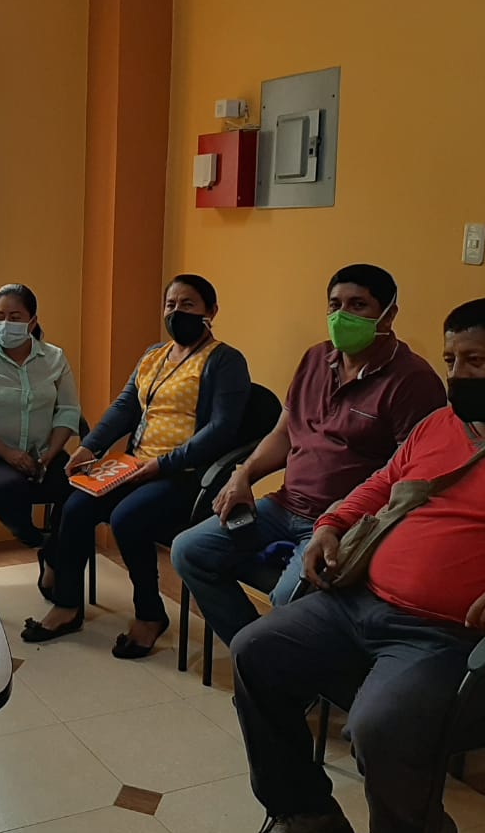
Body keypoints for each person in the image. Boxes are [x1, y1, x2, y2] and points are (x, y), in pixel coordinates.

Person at [234, 298, 485, 833]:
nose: (458, 375)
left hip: (447, 636)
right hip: (358, 602)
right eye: (450, 360)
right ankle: (306, 814)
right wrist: (331, 524)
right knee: (255, 652)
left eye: (476, 360)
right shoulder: (440, 424)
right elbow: (383, 482)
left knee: (379, 726)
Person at [170, 264, 445, 647]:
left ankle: (268, 658)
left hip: (343, 523)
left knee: (289, 597)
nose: (342, 316)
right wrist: (242, 475)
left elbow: (408, 476)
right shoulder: (316, 358)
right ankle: (254, 653)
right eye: (335, 305)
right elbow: (284, 433)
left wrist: (341, 521)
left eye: (358, 305)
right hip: (283, 506)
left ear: (389, 314)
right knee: (189, 550)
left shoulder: (413, 381)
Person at [21, 274, 251, 658]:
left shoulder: (225, 361)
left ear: (211, 312)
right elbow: (125, 408)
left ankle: (150, 613)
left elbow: (222, 431)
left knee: (127, 519)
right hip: (134, 467)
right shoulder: (154, 356)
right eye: (171, 305)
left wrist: (163, 464)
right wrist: (89, 448)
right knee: (76, 506)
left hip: (186, 475)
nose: (177, 312)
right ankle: (67, 604)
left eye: (188, 305)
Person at [0, 284, 81, 572]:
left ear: (32, 322)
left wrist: (50, 453)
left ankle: (55, 563)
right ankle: (38, 540)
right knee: (11, 487)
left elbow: (69, 411)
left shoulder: (54, 359)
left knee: (76, 487)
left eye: (15, 317)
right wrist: (9, 454)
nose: (5, 324)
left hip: (42, 451)